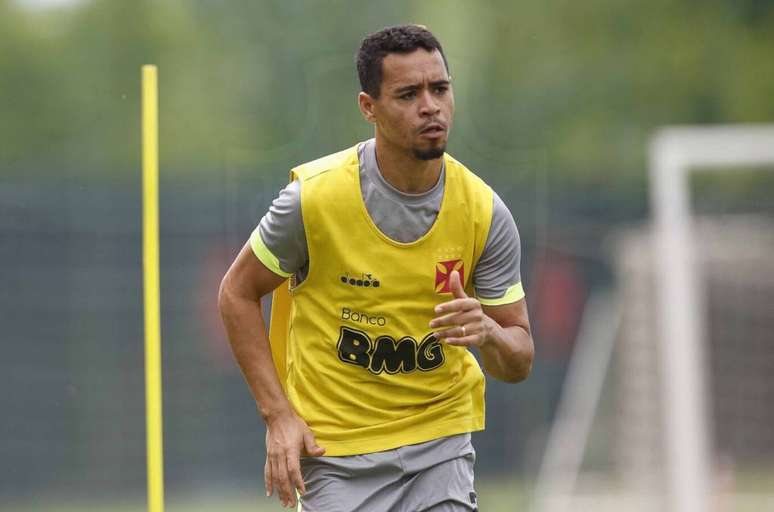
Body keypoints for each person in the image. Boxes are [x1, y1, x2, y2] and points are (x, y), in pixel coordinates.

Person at [218, 24, 534, 511]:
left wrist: (488, 332)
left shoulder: (484, 213)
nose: (430, 106)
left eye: (440, 89)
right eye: (408, 94)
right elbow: (236, 294)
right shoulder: (312, 201)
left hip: (440, 443)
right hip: (336, 454)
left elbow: (519, 358)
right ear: (369, 107)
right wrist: (278, 416)